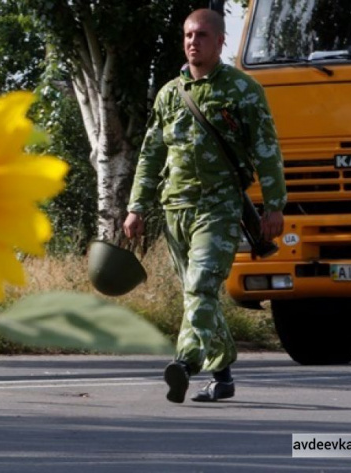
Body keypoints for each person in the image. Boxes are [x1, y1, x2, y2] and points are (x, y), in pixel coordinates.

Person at [123, 8, 287, 403]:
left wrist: (275, 205)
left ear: (219, 42)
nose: (192, 42)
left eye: (201, 36)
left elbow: (266, 150)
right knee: (198, 296)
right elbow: (150, 155)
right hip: (175, 208)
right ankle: (224, 376)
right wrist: (136, 207)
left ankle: (185, 363)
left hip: (220, 206)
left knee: (200, 286)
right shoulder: (168, 94)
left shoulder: (242, 90)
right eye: (187, 35)